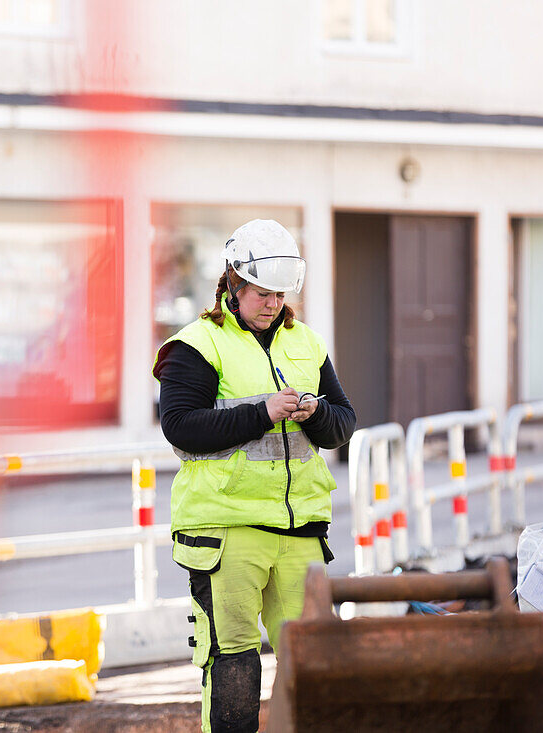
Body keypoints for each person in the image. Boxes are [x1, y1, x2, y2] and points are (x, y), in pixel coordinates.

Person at [152, 219, 356, 733]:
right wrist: (262, 411)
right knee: (234, 665)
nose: (272, 304)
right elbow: (180, 427)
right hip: (228, 531)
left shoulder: (305, 343)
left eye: (279, 294)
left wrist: (317, 415)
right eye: (262, 293)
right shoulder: (196, 345)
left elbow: (343, 426)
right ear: (233, 286)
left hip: (300, 533)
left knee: (311, 664)